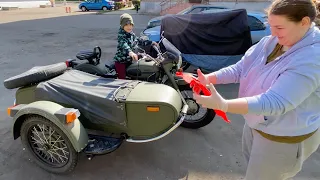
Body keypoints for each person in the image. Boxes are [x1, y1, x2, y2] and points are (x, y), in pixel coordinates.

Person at [193, 0, 320, 179]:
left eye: (280, 27)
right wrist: (209, 78)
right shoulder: (270, 42)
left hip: (282, 139)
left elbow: (276, 102)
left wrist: (224, 105)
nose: (273, 32)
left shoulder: (312, 57)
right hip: (256, 124)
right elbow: (240, 68)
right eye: (270, 25)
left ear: (304, 22)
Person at [113, 13, 156, 79]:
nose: (129, 27)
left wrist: (151, 42)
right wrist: (130, 52)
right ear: (122, 25)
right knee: (122, 79)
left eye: (131, 25)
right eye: (126, 25)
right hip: (121, 62)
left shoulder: (131, 33)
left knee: (134, 74)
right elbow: (123, 44)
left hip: (129, 60)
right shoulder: (121, 35)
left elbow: (138, 40)